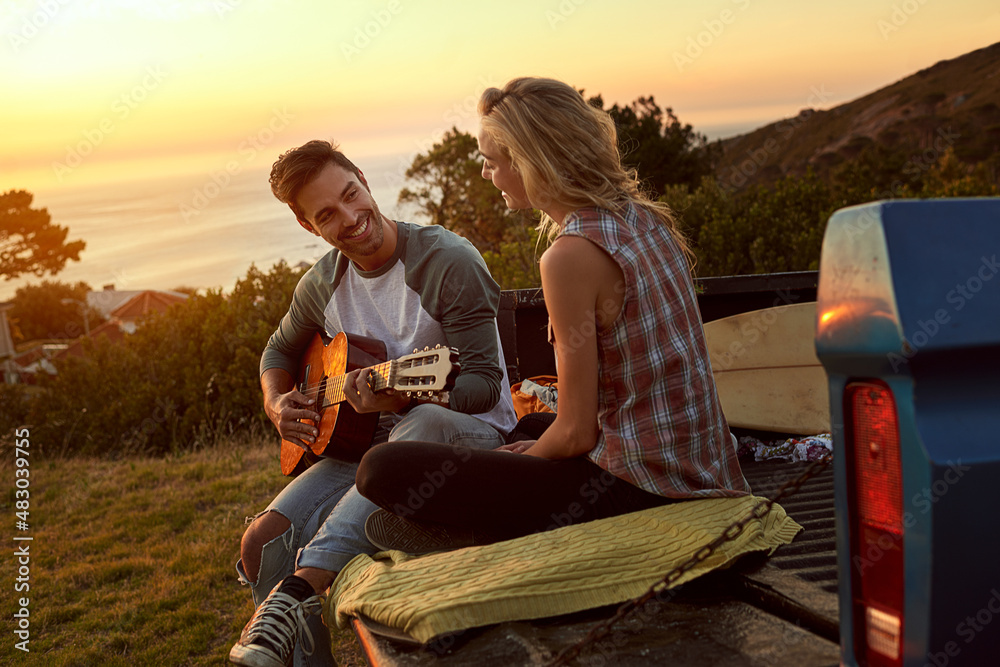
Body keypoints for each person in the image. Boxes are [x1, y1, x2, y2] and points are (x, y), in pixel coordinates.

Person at [356, 77, 751, 554]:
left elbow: (576, 433)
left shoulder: (569, 257)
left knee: (381, 468)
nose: (485, 175)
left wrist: (537, 455)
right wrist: (534, 449)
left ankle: (481, 532)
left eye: (492, 162)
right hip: (699, 462)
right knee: (526, 430)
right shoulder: (643, 216)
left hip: (646, 492)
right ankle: (485, 518)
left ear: (531, 163)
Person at [229, 140, 517, 667]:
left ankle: (298, 589)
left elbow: (486, 387)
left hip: (468, 434)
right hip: (369, 442)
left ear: (362, 177)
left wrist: (402, 395)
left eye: (351, 194)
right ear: (308, 226)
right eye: (327, 215)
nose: (351, 218)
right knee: (262, 543)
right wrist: (276, 403)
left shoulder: (446, 261)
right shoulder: (321, 284)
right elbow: (279, 349)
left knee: (425, 416)